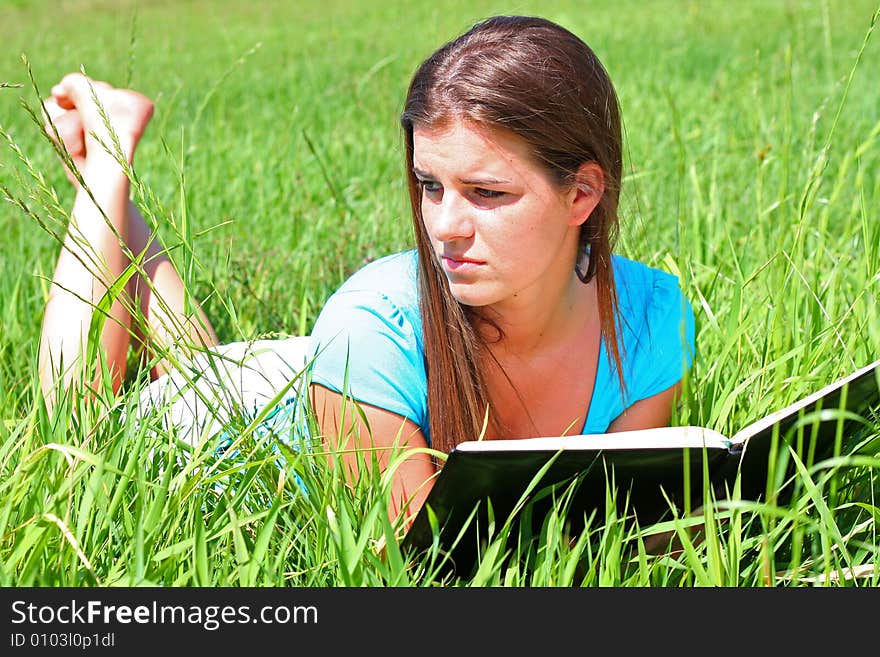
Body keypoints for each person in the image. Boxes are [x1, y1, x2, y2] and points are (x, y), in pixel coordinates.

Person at [37, 15, 695, 529]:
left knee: (201, 365)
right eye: (429, 186)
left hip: (315, 382)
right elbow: (421, 570)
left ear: (582, 194)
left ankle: (115, 197)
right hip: (225, 428)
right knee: (79, 425)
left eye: (487, 193)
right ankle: (105, 163)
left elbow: (629, 529)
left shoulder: (650, 317)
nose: (445, 226)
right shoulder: (371, 325)